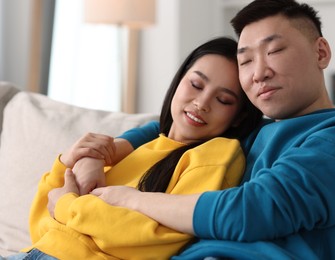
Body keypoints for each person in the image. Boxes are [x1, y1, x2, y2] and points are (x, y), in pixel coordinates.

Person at [73, 0, 335, 259]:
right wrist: (103, 151)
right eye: (246, 61)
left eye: (274, 51)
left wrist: (132, 200)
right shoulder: (249, 132)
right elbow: (173, 126)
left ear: (320, 52)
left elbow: (252, 212)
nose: (259, 73)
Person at [8, 37, 263, 259]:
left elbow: (154, 238)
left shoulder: (218, 153)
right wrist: (66, 163)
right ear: (178, 81)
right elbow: (41, 223)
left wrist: (67, 206)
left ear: (239, 117)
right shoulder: (143, 145)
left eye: (223, 100)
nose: (201, 102)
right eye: (196, 85)